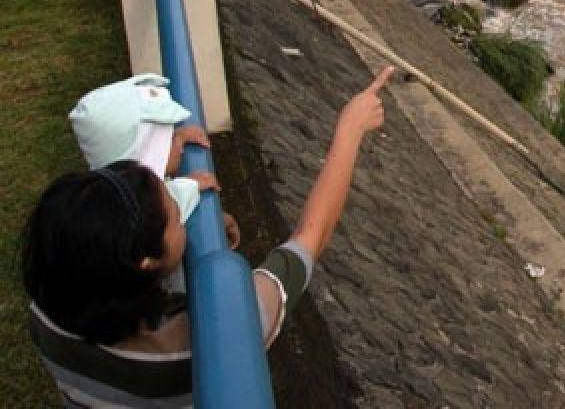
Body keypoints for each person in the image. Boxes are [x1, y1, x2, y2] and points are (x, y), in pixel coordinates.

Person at [22, 66, 394, 407]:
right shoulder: (210, 336)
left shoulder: (48, 311)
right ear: (146, 261)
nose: (186, 211)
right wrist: (349, 132)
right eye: (176, 213)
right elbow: (310, 238)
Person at [68, 74, 236, 252]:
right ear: (148, 159)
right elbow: (165, 207)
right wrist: (192, 187)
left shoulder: (109, 199)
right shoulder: (133, 224)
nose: (179, 147)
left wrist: (179, 137)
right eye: (169, 140)